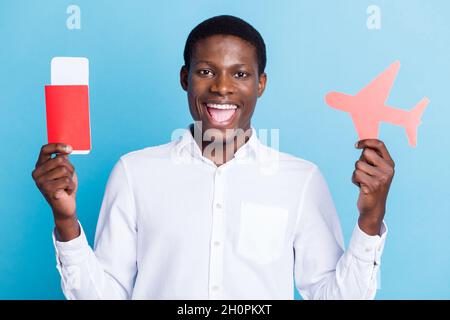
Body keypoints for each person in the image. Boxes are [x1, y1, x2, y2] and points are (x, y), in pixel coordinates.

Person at [31, 15, 395, 299]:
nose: (222, 87)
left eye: (240, 74)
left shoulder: (300, 180)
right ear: (184, 78)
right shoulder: (134, 173)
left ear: (260, 84)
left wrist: (370, 218)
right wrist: (66, 221)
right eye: (206, 72)